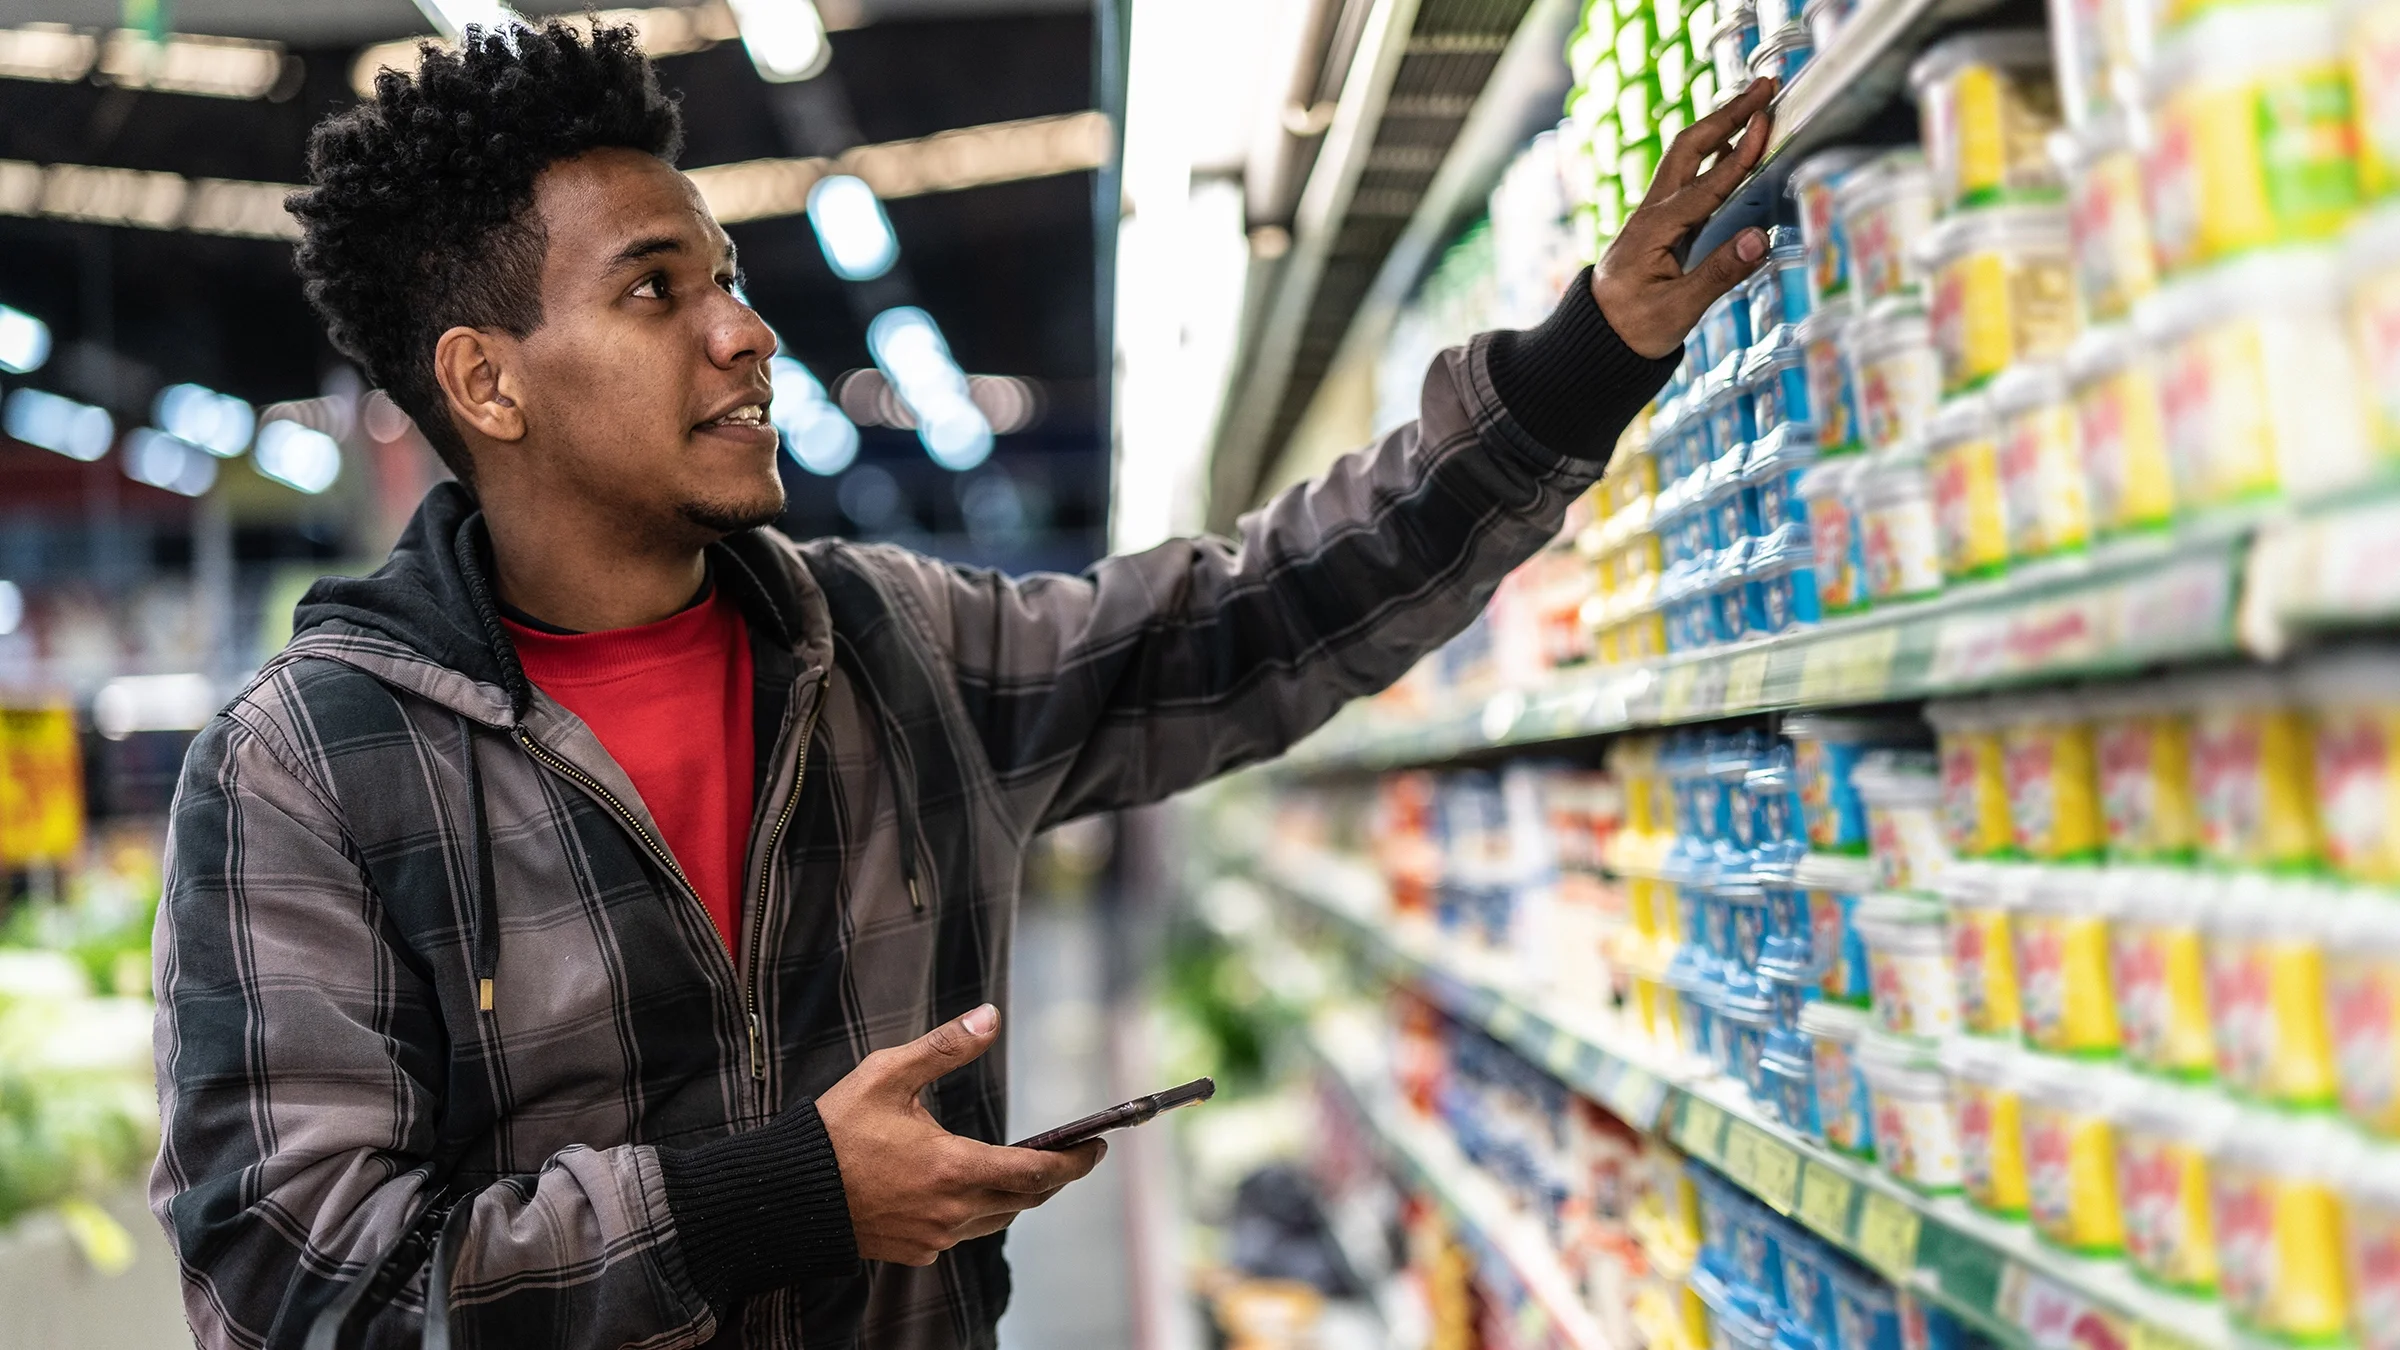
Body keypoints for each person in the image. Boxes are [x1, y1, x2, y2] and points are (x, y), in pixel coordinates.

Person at [148, 19, 1777, 1350]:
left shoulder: (885, 645)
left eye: (727, 275)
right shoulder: (311, 768)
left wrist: (1579, 366)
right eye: (656, 291)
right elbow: (303, 1282)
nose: (745, 332)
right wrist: (783, 1195)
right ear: (487, 382)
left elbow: (1247, 617)